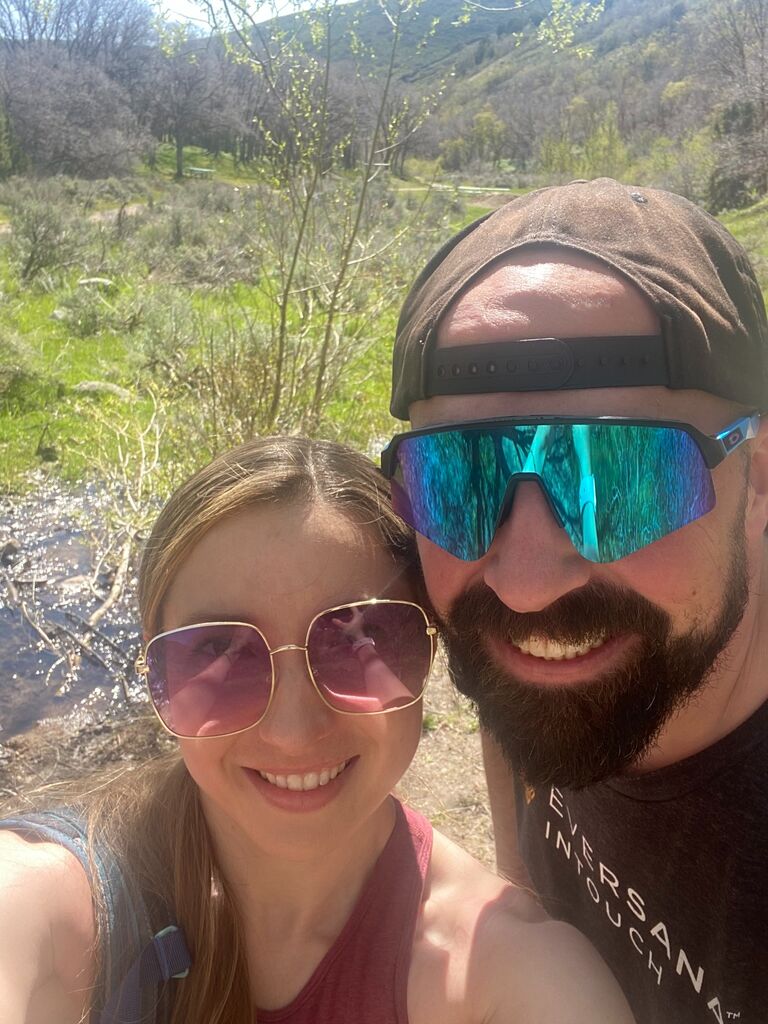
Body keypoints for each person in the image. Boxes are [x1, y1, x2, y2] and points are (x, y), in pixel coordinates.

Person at [0, 436, 634, 1024]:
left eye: (359, 640)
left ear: (430, 649)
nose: (293, 732)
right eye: (220, 653)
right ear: (154, 669)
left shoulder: (514, 978)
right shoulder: (51, 898)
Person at [383, 177, 768, 1024]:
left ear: (760, 475)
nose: (522, 586)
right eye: (460, 481)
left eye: (618, 478)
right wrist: (527, 899)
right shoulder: (546, 645)